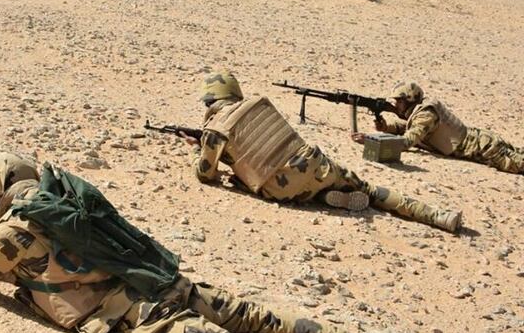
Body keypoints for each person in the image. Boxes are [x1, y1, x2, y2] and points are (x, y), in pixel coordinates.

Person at [0, 151, 374, 333]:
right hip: (164, 280)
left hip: (143, 316)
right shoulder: (60, 197)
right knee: (257, 317)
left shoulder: (8, 233)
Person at [187, 71, 461, 234]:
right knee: (373, 190)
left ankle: (320, 198)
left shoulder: (215, 130)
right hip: (314, 162)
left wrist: (199, 149)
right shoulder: (258, 103)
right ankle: (438, 216)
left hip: (281, 187)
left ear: (210, 101)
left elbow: (206, 175)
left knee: (247, 180)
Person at [352, 81, 523, 174]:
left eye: (399, 101)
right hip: (482, 141)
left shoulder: (426, 115)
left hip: (485, 148)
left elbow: (407, 142)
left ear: (409, 101)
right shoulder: (420, 111)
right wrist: (387, 127)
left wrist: (369, 141)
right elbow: (411, 127)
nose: (395, 104)